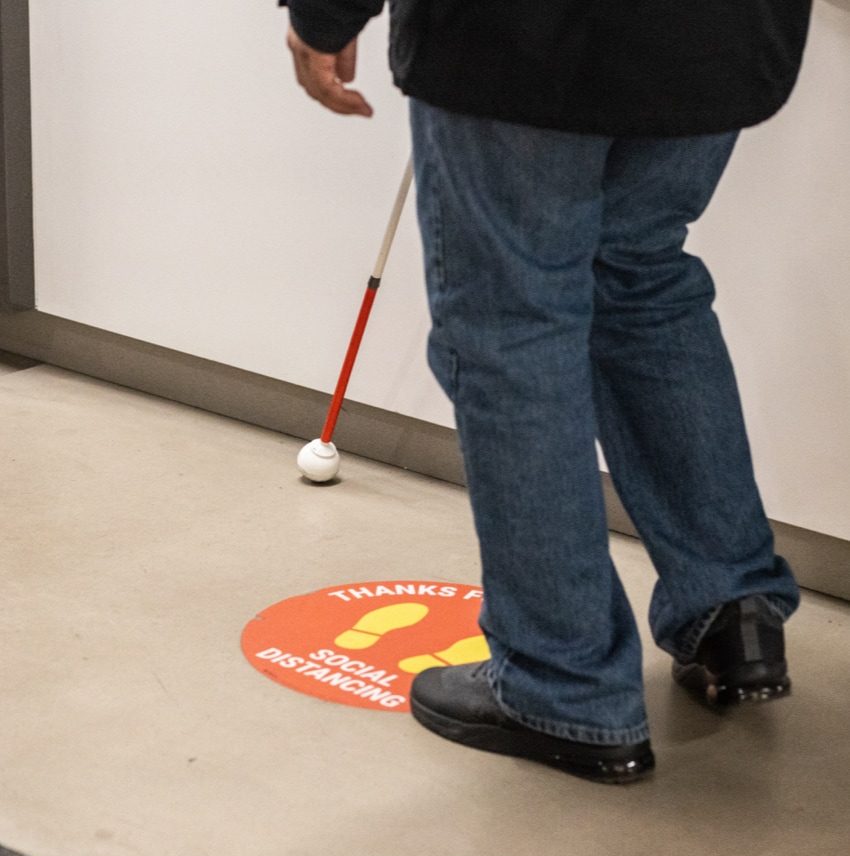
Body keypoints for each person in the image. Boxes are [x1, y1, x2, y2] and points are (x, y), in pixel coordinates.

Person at [281, 1, 813, 784]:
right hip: (721, 30)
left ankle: (563, 684)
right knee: (640, 280)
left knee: (514, 327)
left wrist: (322, 15)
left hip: (526, 38)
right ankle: (732, 612)